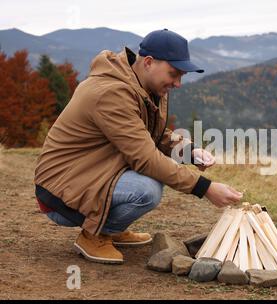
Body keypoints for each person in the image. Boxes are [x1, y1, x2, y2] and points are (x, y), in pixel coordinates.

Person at [34, 29, 242, 264]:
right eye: (174, 74)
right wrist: (204, 187)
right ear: (149, 63)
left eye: (181, 75)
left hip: (90, 173)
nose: (178, 83)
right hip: (59, 192)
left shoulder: (145, 87)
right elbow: (146, 158)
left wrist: (189, 151)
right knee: (147, 188)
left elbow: (153, 135)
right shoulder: (112, 93)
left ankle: (111, 228)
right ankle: (94, 235)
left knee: (148, 180)